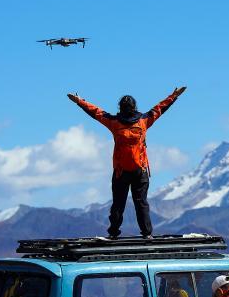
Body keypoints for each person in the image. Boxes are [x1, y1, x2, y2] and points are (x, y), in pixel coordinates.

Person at [67, 87, 186, 239]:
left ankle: (114, 233)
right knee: (141, 203)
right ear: (135, 107)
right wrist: (174, 95)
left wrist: (79, 101)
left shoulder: (114, 122)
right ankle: (147, 234)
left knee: (118, 203)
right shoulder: (144, 121)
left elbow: (96, 112)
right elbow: (160, 108)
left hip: (120, 171)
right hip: (140, 170)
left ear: (120, 108)